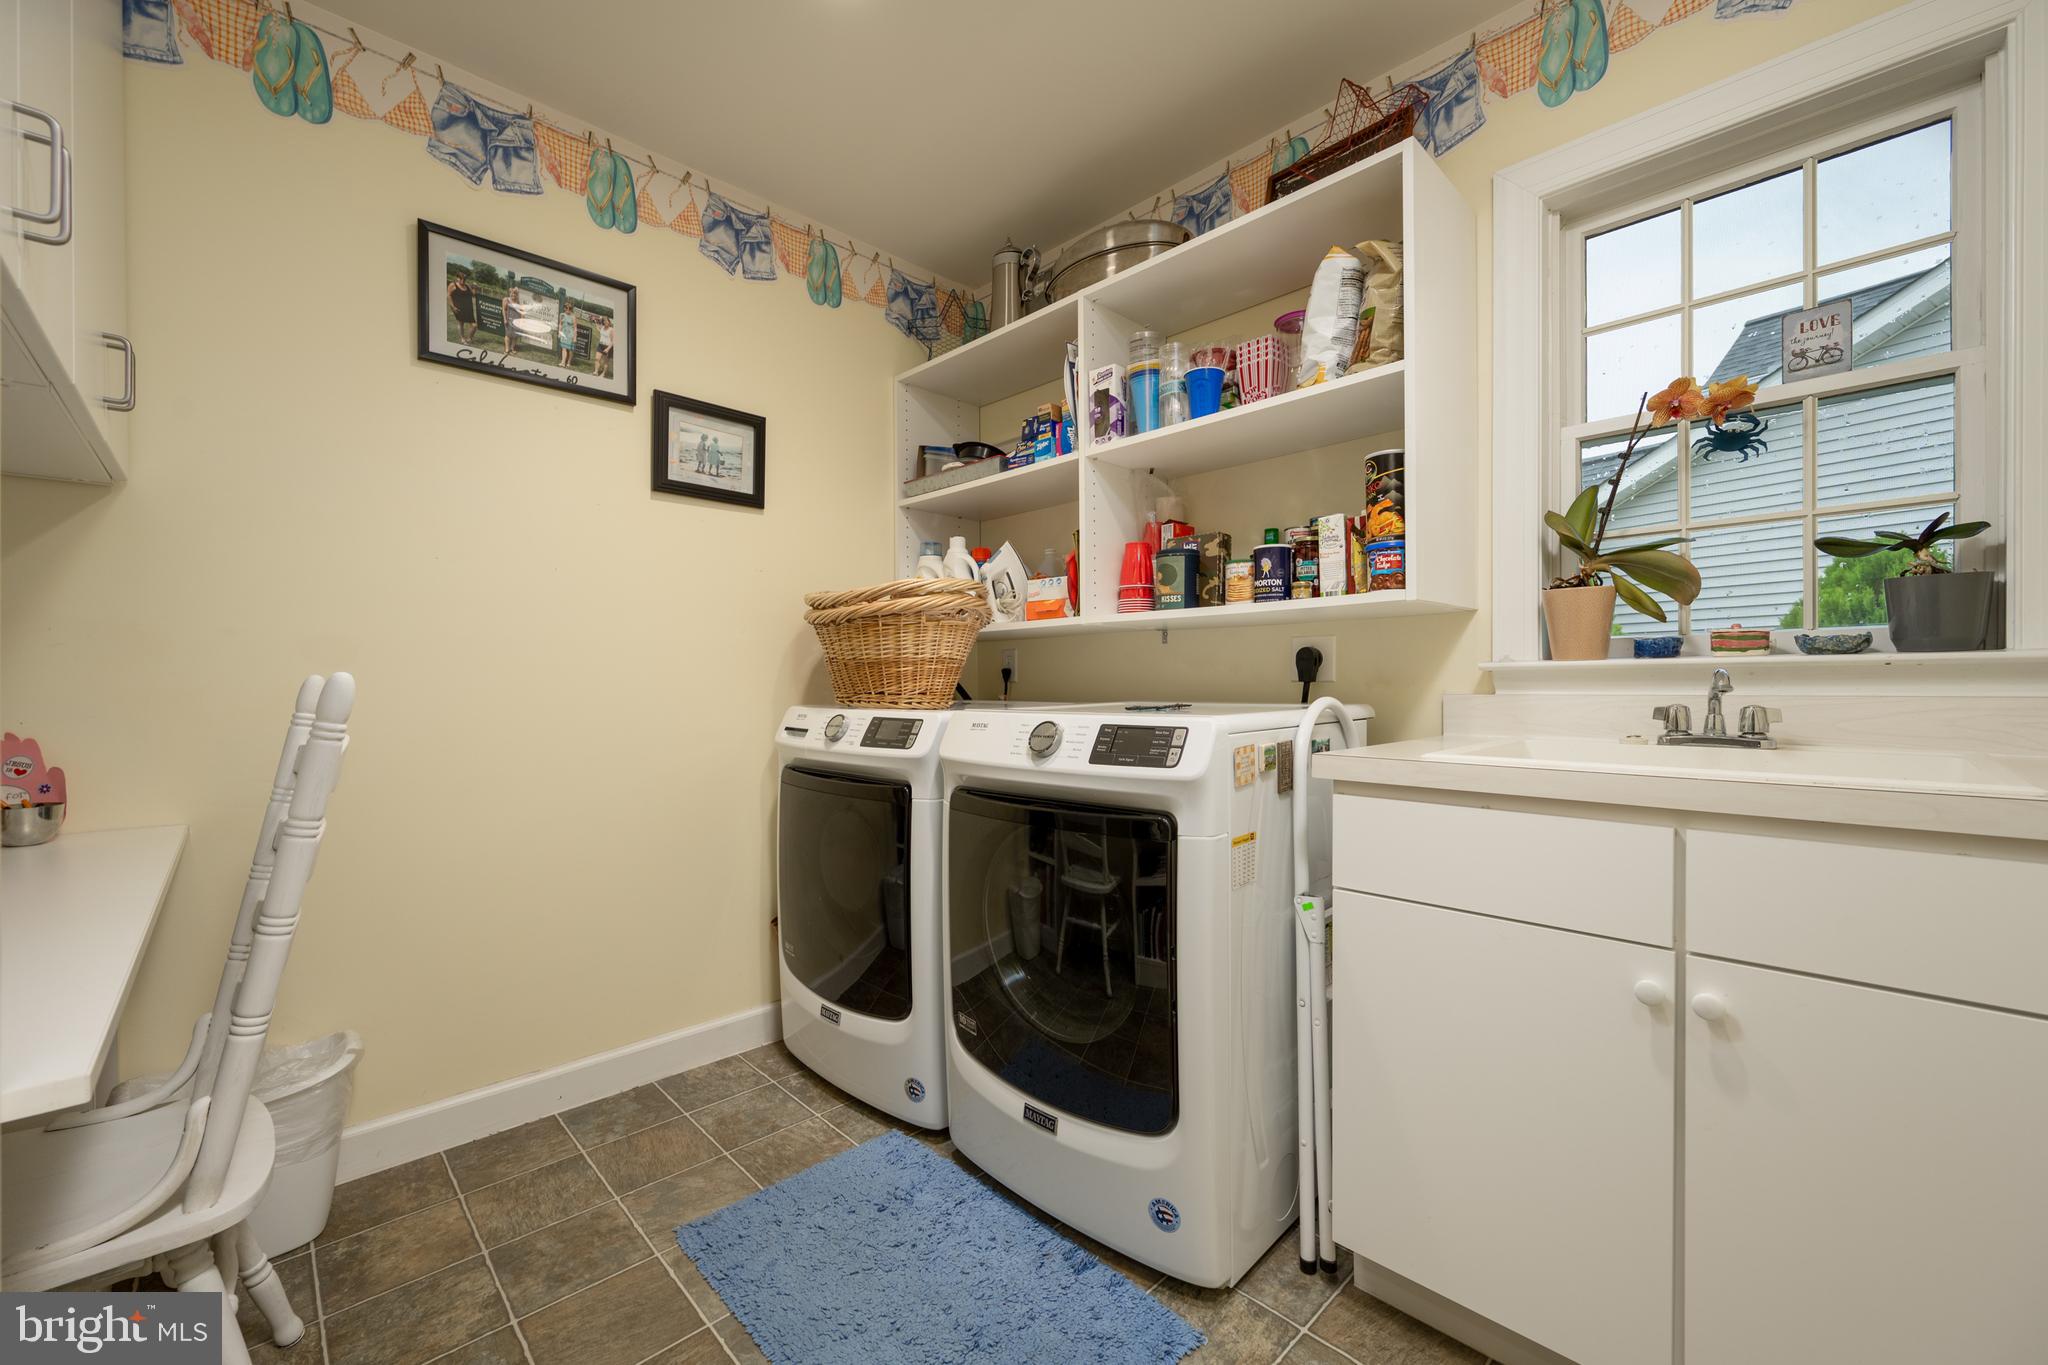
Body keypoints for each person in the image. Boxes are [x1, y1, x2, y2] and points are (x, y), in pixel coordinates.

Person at [447, 270, 478, 343]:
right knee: (461, 323)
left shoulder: (467, 286)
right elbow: (448, 296)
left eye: (464, 279)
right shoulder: (453, 285)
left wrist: (475, 288)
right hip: (458, 308)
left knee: (474, 325)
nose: (463, 280)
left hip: (468, 309)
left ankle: (469, 338)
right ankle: (462, 338)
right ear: (457, 278)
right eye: (461, 278)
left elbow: (473, 294)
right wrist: (453, 307)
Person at [502, 287, 521, 355]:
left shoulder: (517, 301)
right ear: (510, 293)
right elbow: (503, 310)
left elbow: (519, 311)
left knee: (515, 336)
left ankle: (512, 348)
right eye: (512, 293)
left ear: (517, 294)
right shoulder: (506, 299)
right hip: (508, 319)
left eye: (515, 293)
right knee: (508, 335)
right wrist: (505, 319)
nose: (513, 295)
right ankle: (507, 349)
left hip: (516, 320)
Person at [558, 302, 577, 368]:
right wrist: (559, 333)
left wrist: (575, 337)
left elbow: (575, 328)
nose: (568, 310)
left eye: (569, 308)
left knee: (570, 350)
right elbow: (560, 324)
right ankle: (563, 362)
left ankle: (568, 362)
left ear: (571, 309)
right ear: (564, 308)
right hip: (564, 333)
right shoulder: (562, 315)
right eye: (566, 308)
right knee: (564, 348)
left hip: (570, 334)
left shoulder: (573, 317)